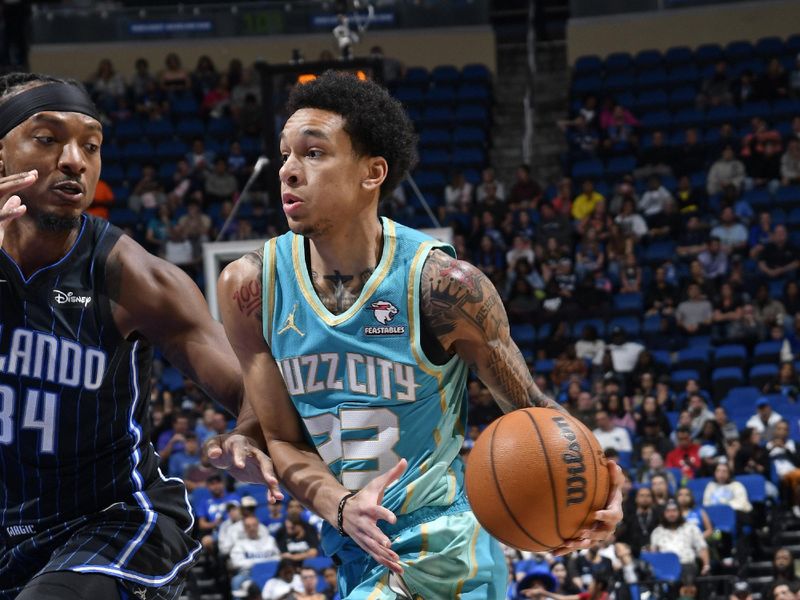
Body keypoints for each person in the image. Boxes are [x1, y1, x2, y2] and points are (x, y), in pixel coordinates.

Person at [216, 72, 624, 598]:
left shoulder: (444, 288)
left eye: (313, 153)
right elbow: (285, 442)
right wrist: (339, 506)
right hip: (354, 545)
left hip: (446, 547)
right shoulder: (251, 287)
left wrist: (606, 483)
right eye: (285, 155)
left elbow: (535, 411)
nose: (289, 172)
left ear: (372, 173)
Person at [0, 72, 278, 599]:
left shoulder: (136, 277)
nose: (75, 160)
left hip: (110, 522)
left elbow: (249, 389)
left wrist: (247, 434)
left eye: (91, 145)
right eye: (47, 138)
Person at [649, 499, 711, 583]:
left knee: (687, 572)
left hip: (686, 565)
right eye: (668, 511)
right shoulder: (657, 532)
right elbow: (654, 553)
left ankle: (686, 593)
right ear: (664, 514)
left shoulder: (691, 528)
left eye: (674, 511)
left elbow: (702, 547)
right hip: (665, 567)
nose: (671, 514)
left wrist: (706, 565)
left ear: (680, 513)